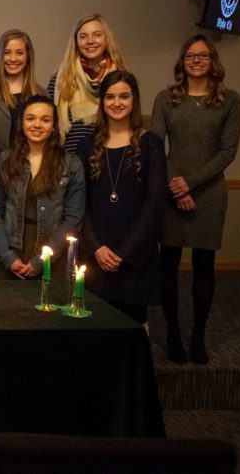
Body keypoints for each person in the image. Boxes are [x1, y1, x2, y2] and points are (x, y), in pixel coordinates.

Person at [152, 35, 240, 365]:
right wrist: (174, 188)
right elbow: (155, 147)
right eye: (190, 55)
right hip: (170, 192)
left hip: (209, 193)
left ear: (213, 60)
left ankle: (198, 336)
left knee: (205, 267)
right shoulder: (166, 99)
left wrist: (189, 184)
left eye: (203, 55)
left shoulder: (230, 101)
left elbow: (228, 151)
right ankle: (173, 335)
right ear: (182, 61)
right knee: (168, 266)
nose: (196, 60)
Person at [76, 71, 167, 326]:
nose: (117, 103)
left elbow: (154, 204)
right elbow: (80, 204)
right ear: (102, 102)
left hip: (135, 253)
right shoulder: (87, 145)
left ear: (134, 100)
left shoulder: (151, 145)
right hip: (97, 253)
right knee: (96, 327)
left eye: (124, 96)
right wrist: (96, 247)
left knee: (131, 326)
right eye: (110, 97)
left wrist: (124, 252)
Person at [0, 95, 85, 281]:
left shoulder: (72, 165)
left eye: (45, 120)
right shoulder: (5, 161)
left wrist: (42, 260)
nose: (37, 125)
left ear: (54, 126)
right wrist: (7, 257)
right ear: (22, 123)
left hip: (53, 256)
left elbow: (73, 219)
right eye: (30, 118)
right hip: (10, 253)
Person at [48, 13, 127, 153]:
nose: (90, 41)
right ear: (76, 41)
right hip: (70, 160)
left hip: (110, 155)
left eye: (97, 35)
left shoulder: (121, 76)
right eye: (83, 36)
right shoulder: (61, 77)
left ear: (106, 38)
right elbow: (48, 120)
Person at [0, 30, 46, 152]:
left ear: (28, 57)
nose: (13, 58)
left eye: (19, 53)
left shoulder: (42, 95)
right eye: (7, 53)